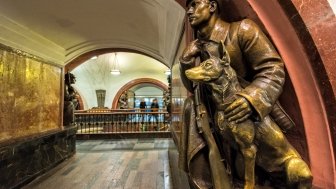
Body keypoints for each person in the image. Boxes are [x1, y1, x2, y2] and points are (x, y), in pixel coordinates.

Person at [179, 0, 311, 188]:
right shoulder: (196, 47)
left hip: (248, 120)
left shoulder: (242, 30)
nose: (189, 11)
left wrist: (250, 99)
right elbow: (193, 86)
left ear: (212, 6)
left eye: (194, 4)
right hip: (218, 120)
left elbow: (272, 68)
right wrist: (185, 61)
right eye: (188, 7)